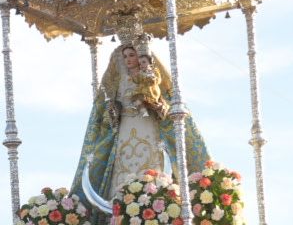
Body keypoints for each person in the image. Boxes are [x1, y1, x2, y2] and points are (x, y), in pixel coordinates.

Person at [71, 18, 210, 209]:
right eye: (125, 56)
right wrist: (112, 111)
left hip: (148, 126)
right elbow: (106, 109)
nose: (128, 60)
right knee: (123, 163)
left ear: (141, 56)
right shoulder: (118, 80)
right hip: (126, 127)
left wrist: (152, 102)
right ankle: (121, 205)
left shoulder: (151, 77)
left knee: (151, 162)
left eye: (132, 55)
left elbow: (164, 104)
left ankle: (155, 202)